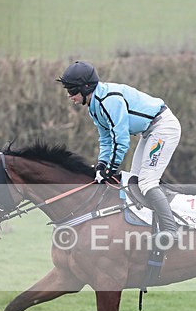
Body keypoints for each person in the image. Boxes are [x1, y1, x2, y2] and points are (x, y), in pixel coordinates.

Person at [56, 61, 181, 244]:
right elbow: (106, 139)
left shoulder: (109, 101)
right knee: (134, 181)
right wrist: (102, 165)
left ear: (85, 88)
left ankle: (171, 230)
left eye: (72, 90)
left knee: (147, 182)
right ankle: (148, 227)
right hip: (150, 131)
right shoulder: (94, 106)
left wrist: (110, 169)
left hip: (163, 128)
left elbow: (121, 140)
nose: (69, 95)